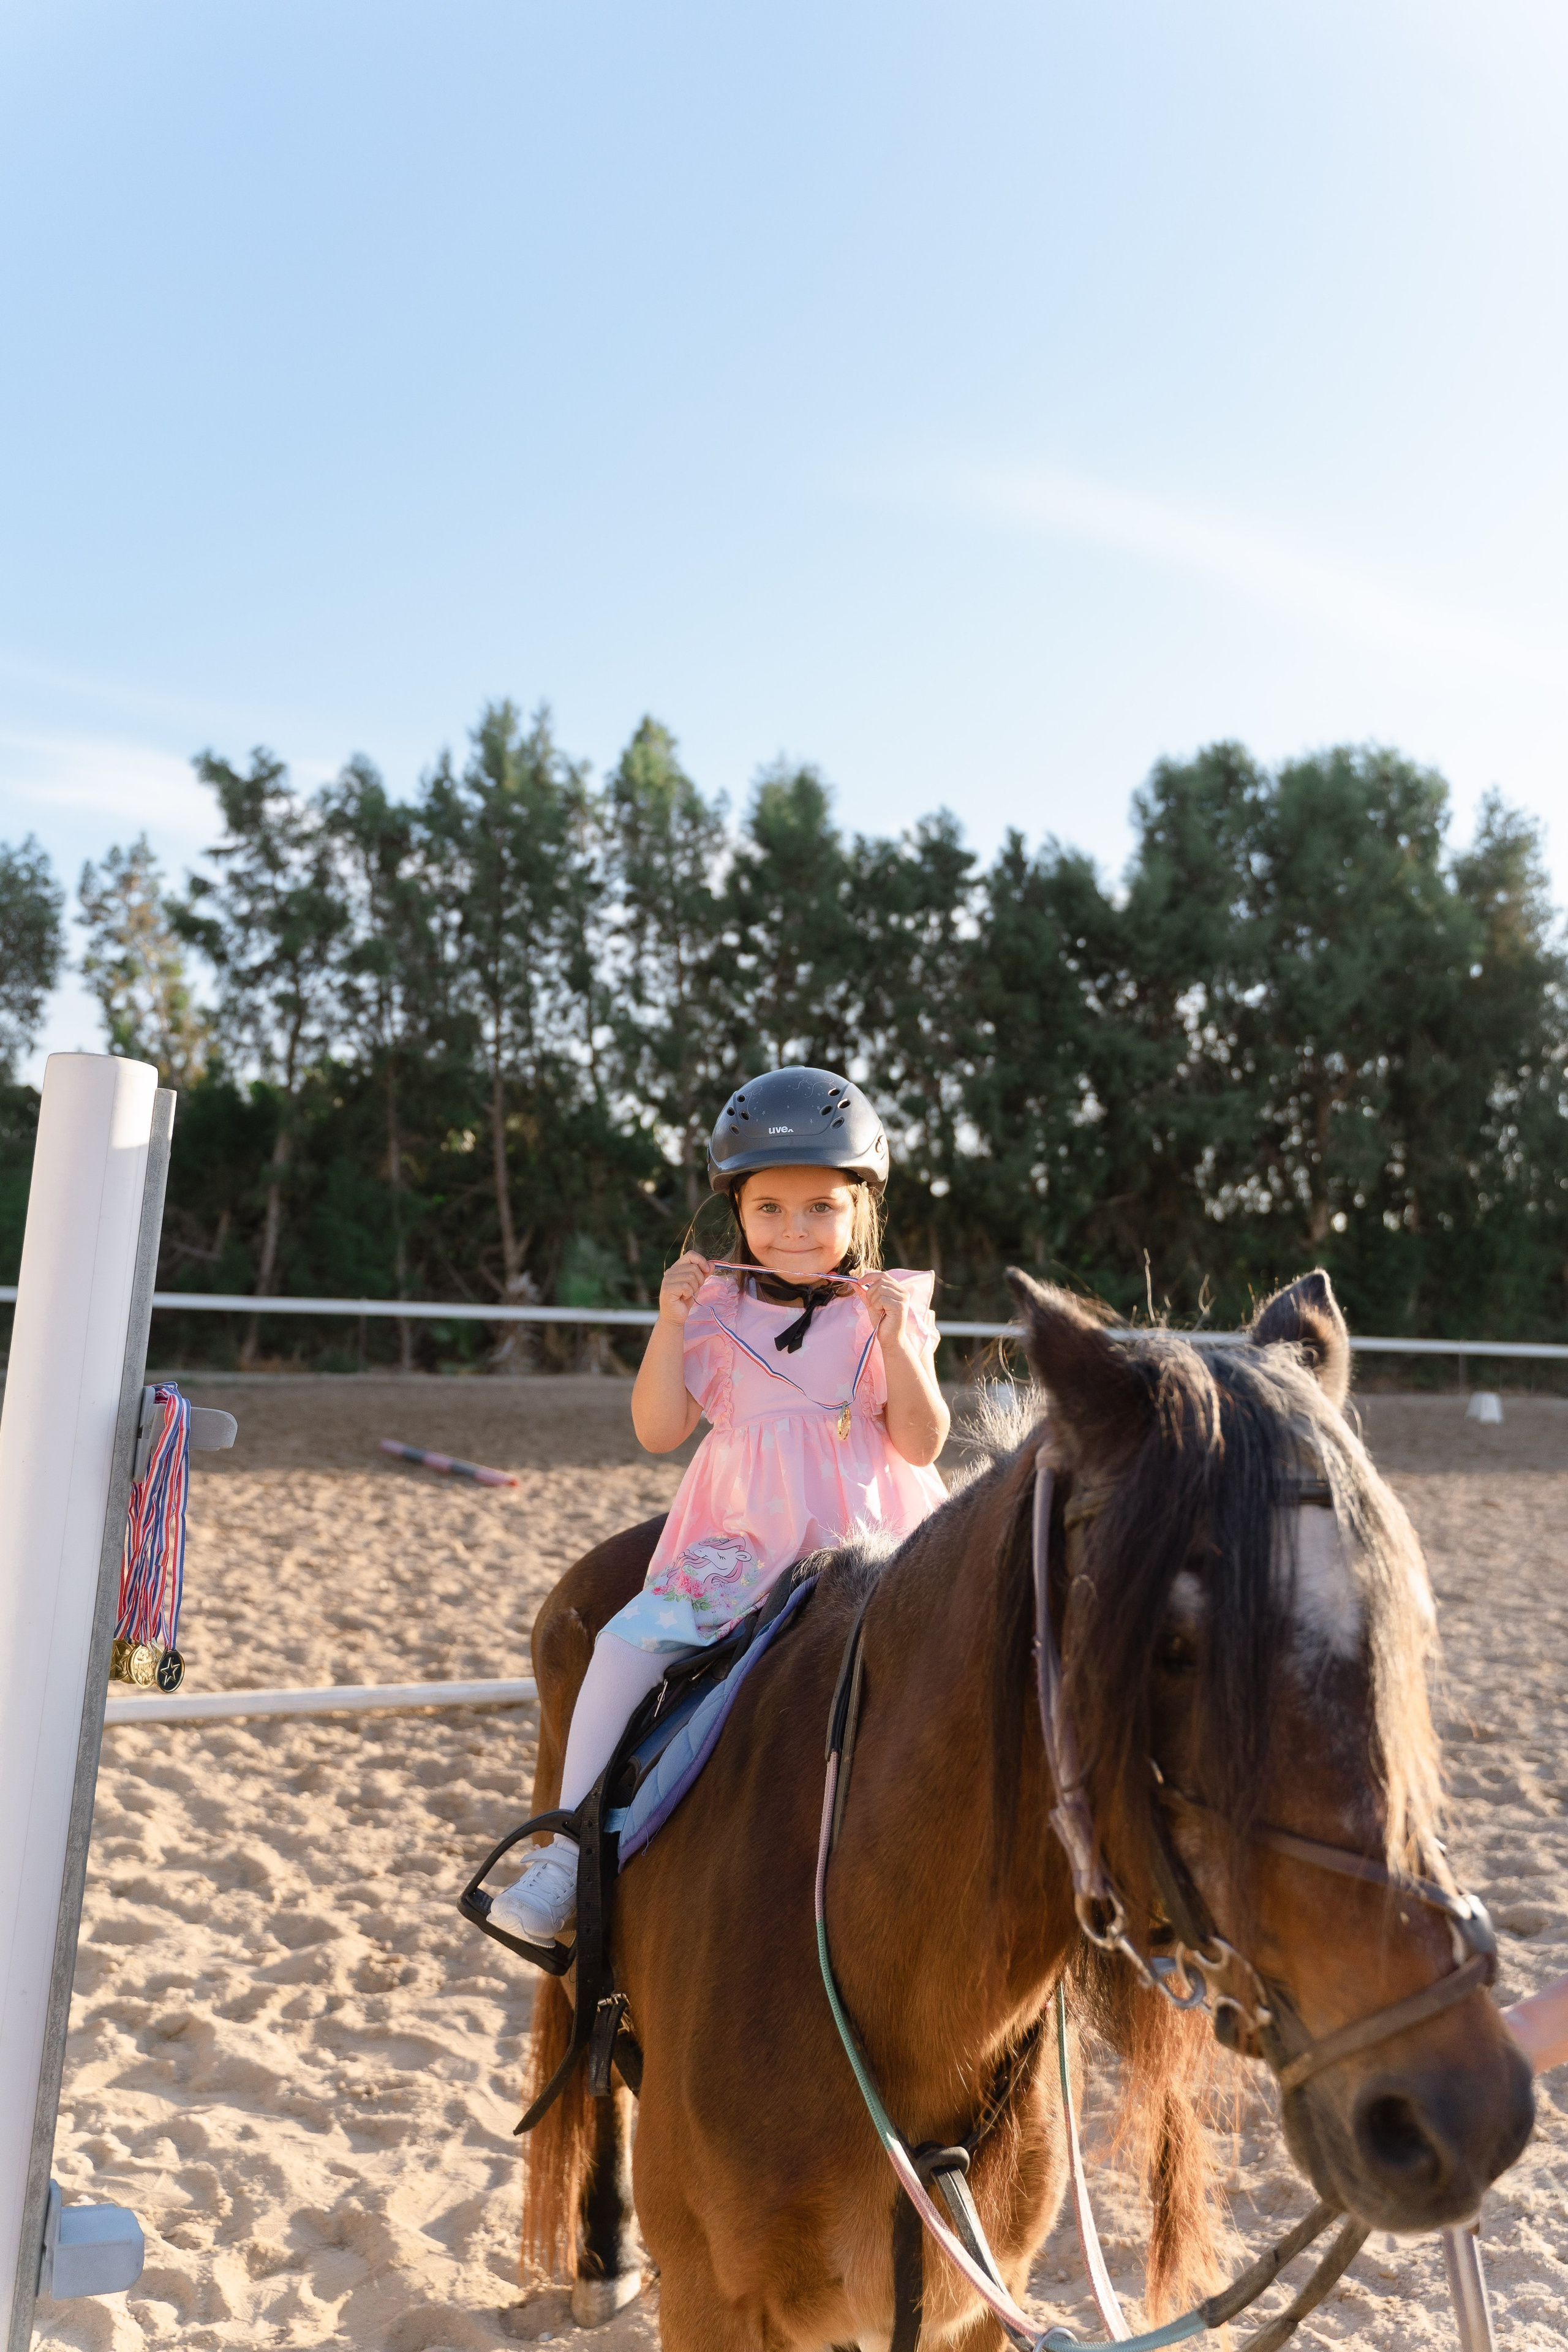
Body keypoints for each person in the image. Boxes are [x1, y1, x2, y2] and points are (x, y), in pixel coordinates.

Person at [492, 1066, 951, 1943]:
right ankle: (562, 1853)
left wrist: (901, 1346)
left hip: (873, 1535)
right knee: (627, 1644)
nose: (795, 1230)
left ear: (861, 1208)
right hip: (743, 1542)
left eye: (821, 1207)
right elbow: (660, 1430)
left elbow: (923, 1443)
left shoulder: (888, 1311)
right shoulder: (715, 1311)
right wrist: (669, 1327)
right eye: (770, 1209)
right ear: (738, 1212)